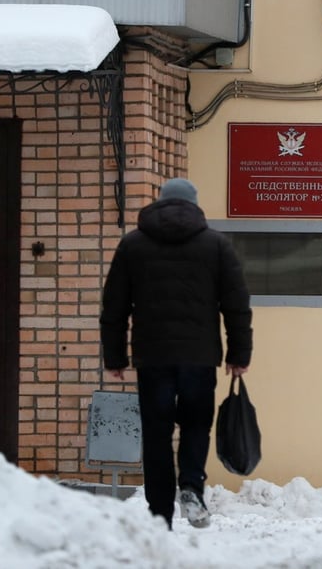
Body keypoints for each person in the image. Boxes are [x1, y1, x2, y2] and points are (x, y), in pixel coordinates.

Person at [99, 177, 253, 530]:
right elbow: (237, 305)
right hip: (199, 357)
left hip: (152, 357)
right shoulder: (217, 246)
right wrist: (238, 354)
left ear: (160, 203)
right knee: (197, 424)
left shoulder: (132, 245)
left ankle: (159, 515)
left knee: (156, 432)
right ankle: (191, 488)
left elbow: (114, 307)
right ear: (194, 205)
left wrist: (115, 357)